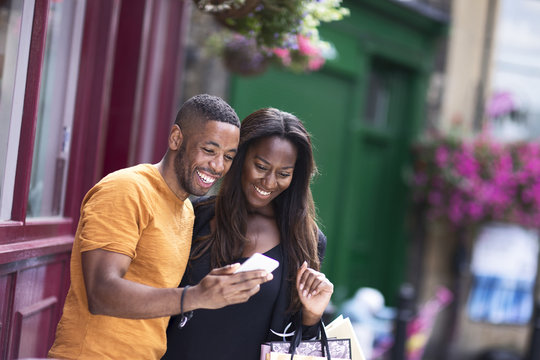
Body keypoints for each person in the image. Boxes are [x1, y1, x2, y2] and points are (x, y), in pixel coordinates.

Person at [48, 94, 273, 360]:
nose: (217, 166)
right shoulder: (127, 189)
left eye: (228, 157)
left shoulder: (187, 209)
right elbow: (101, 293)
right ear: (176, 138)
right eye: (209, 150)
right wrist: (195, 296)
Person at [163, 108, 334, 360]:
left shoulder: (306, 240)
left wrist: (312, 314)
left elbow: (301, 345)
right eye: (261, 166)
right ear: (240, 157)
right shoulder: (196, 216)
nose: (269, 182)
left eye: (284, 174)